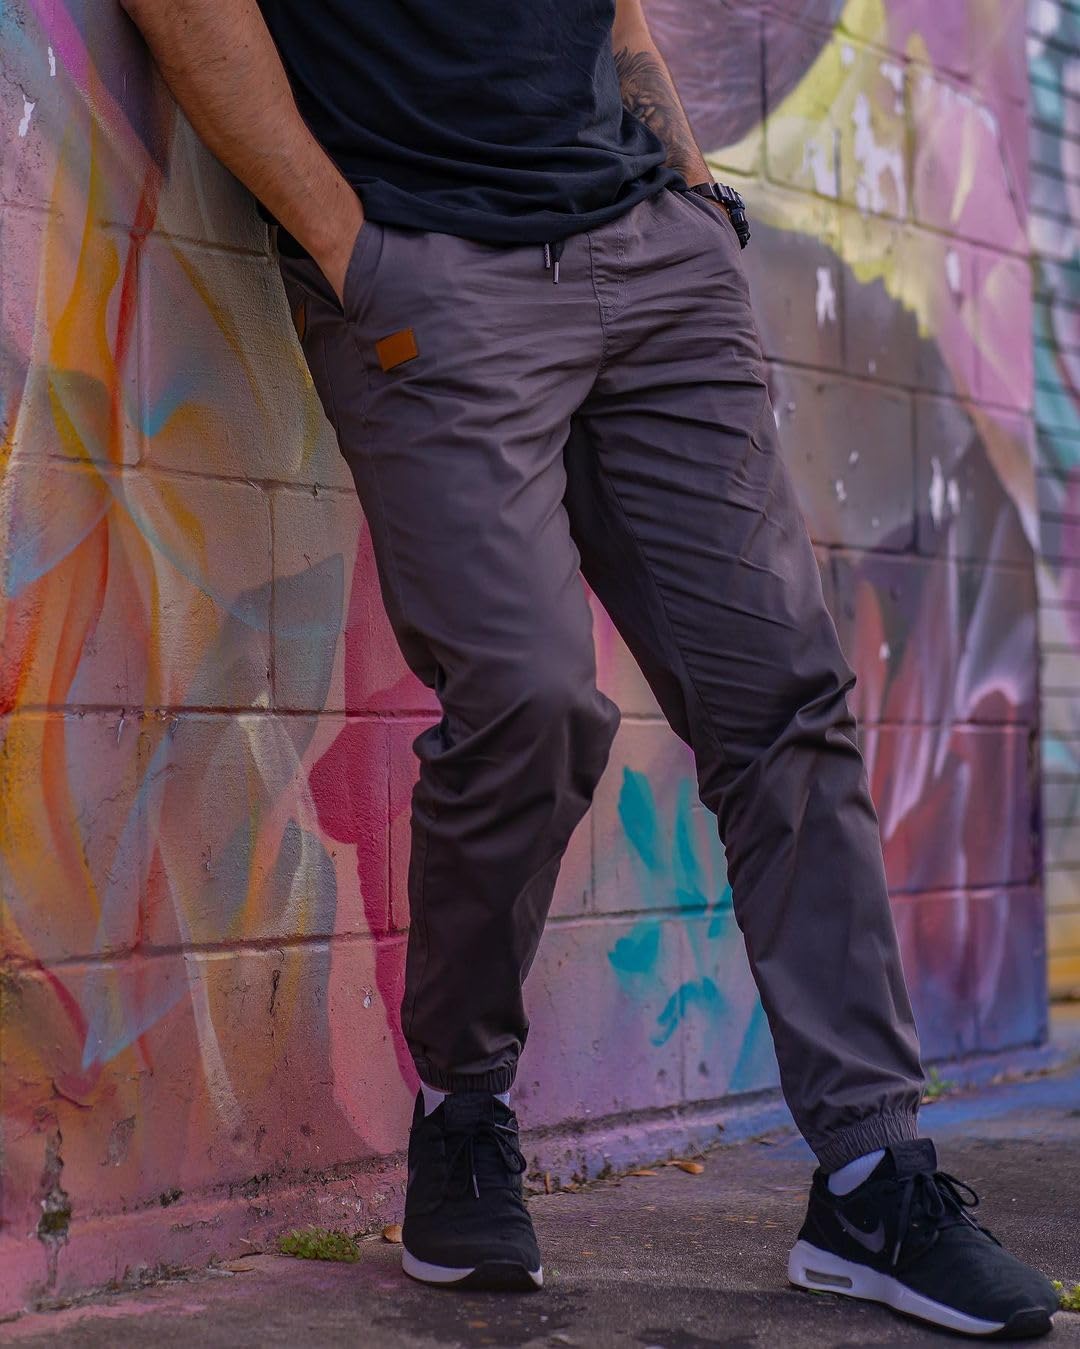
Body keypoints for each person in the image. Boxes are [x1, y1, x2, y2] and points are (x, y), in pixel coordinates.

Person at [118, 0, 1059, 1337]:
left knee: (784, 702)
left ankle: (871, 1172)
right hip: (425, 265)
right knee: (529, 701)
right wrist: (349, 248)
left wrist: (693, 199)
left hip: (653, 256)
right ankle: (463, 1111)